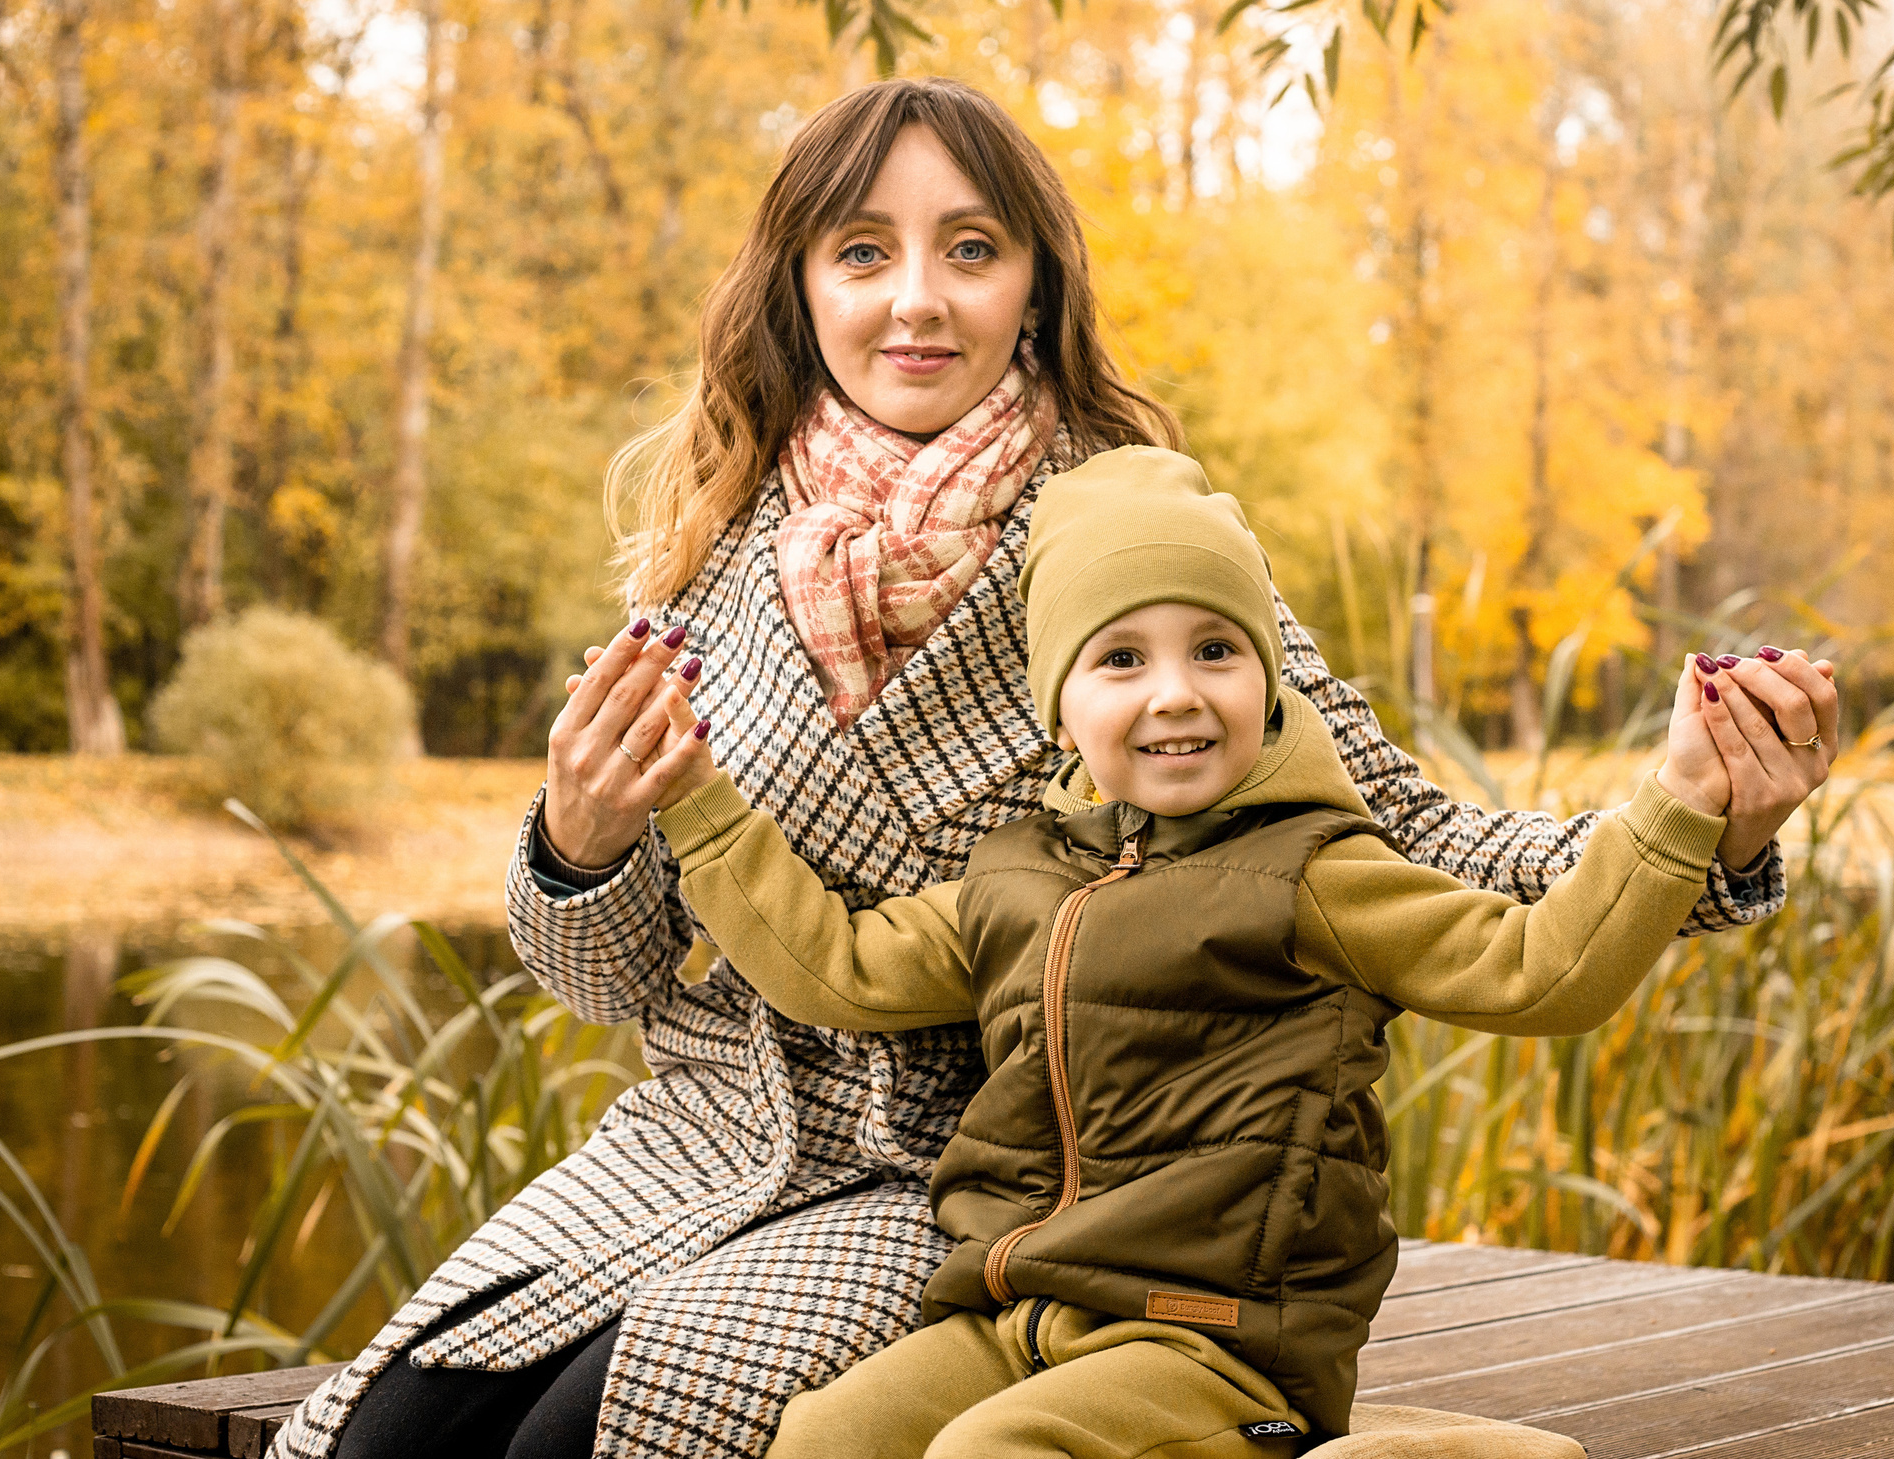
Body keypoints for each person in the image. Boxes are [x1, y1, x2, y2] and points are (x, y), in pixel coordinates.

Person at [274, 77, 1840, 1459]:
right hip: (693, 1130)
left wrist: (1703, 818)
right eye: (864, 252)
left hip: (967, 1172)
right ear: (801, 289)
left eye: (971, 248)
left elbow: (1407, 831)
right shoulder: (713, 555)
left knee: (600, 1432)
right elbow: (607, 980)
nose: (917, 300)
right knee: (389, 1430)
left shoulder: (1134, 549)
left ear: (1032, 287)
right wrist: (577, 839)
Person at [644, 446, 1769, 1458]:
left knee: (996, 1458)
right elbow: (834, 968)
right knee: (825, 1439)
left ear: (1267, 677)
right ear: (1060, 704)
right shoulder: (1015, 876)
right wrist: (692, 797)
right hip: (1021, 1319)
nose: (1176, 692)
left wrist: (1679, 807)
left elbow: (1542, 971)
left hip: (1228, 1349)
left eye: (1216, 649)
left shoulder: (1314, 873)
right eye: (1121, 658)